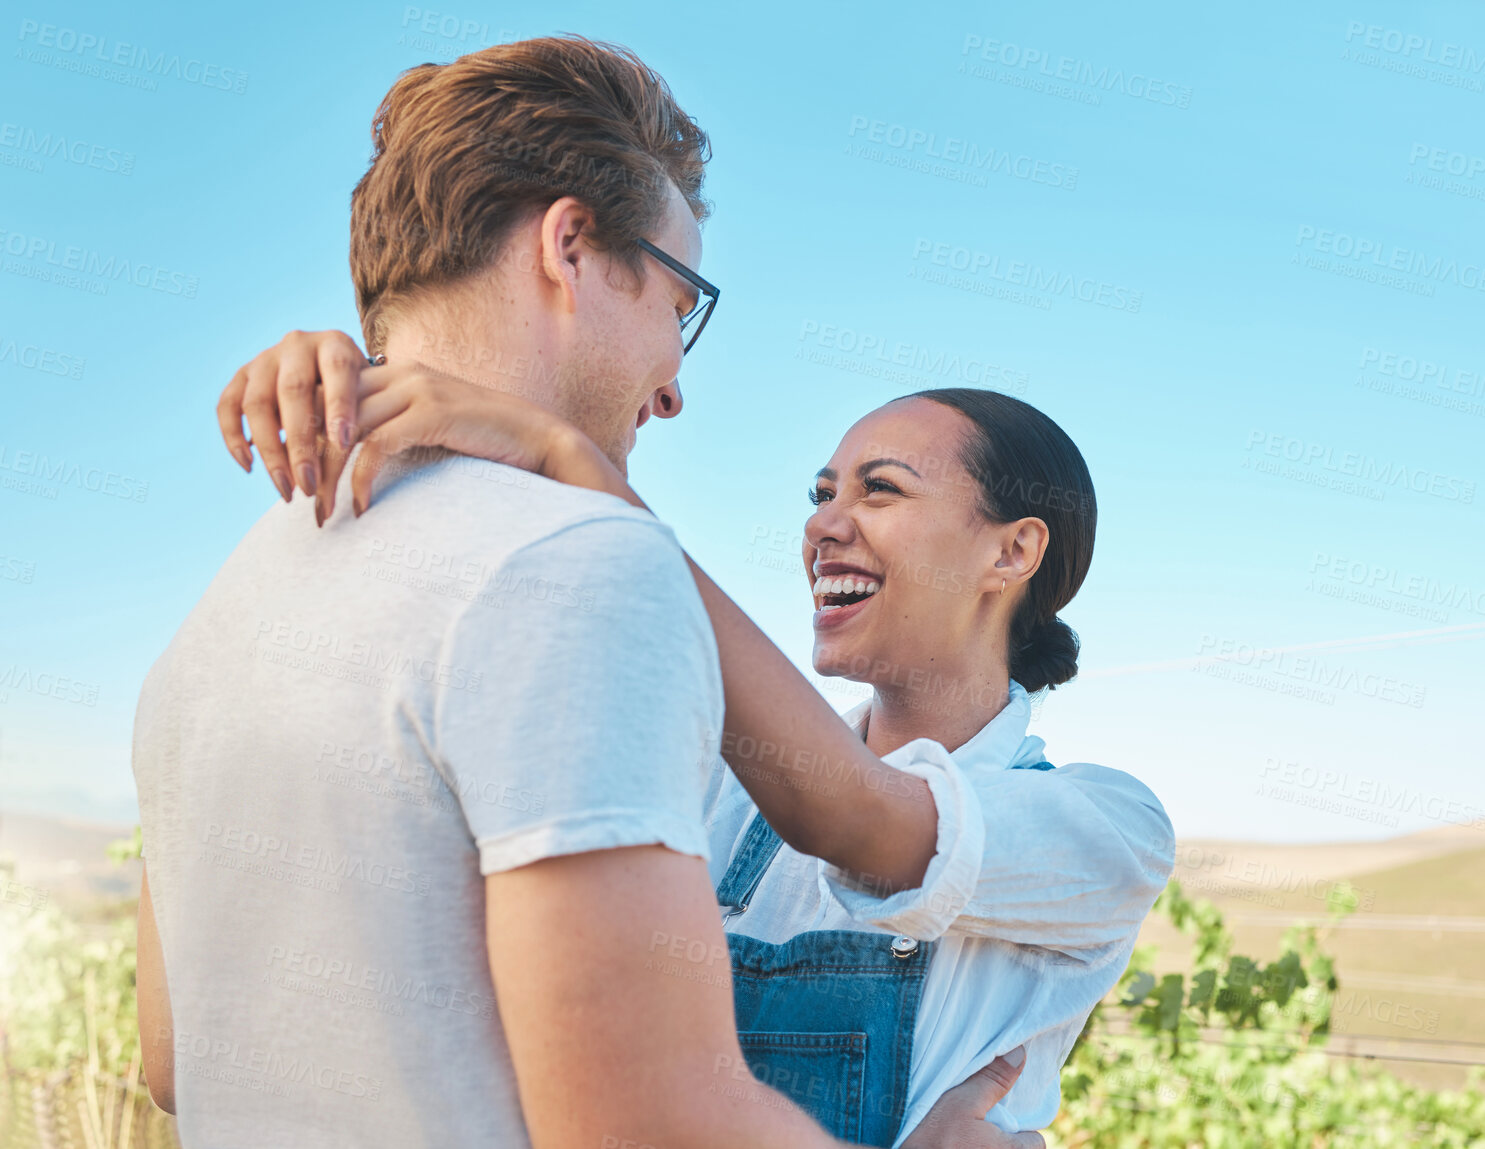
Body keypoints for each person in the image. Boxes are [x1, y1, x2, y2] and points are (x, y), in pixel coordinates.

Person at [133, 34, 1036, 1149]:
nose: (673, 387)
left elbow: (177, 1061)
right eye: (679, 300)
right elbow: (646, 1123)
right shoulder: (575, 562)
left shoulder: (213, 622)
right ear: (569, 246)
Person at [216, 323, 1176, 1144]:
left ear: (1012, 550)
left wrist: (570, 462)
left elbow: (855, 818)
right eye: (820, 492)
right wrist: (346, 374)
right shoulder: (719, 785)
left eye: (879, 491)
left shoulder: (1105, 827)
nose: (825, 525)